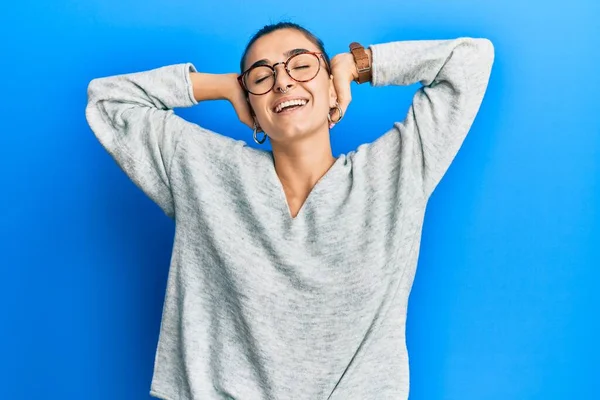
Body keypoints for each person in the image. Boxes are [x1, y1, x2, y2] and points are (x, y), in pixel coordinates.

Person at [86, 21, 494, 400]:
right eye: (262, 77)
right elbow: (107, 100)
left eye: (301, 65)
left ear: (333, 89)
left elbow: (471, 59)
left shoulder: (398, 170)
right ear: (252, 110)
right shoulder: (202, 169)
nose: (282, 81)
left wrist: (357, 64)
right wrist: (225, 87)